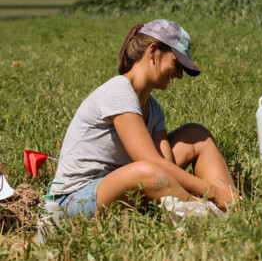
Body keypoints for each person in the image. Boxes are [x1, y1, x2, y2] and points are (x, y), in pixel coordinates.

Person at [50, 19, 237, 218]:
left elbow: (168, 167)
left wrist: (212, 191)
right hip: (74, 199)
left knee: (196, 135)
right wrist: (212, 193)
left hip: (127, 185)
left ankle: (234, 207)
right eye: (177, 63)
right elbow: (150, 163)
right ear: (153, 51)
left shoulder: (153, 109)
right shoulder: (119, 91)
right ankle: (208, 214)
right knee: (147, 170)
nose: (180, 76)